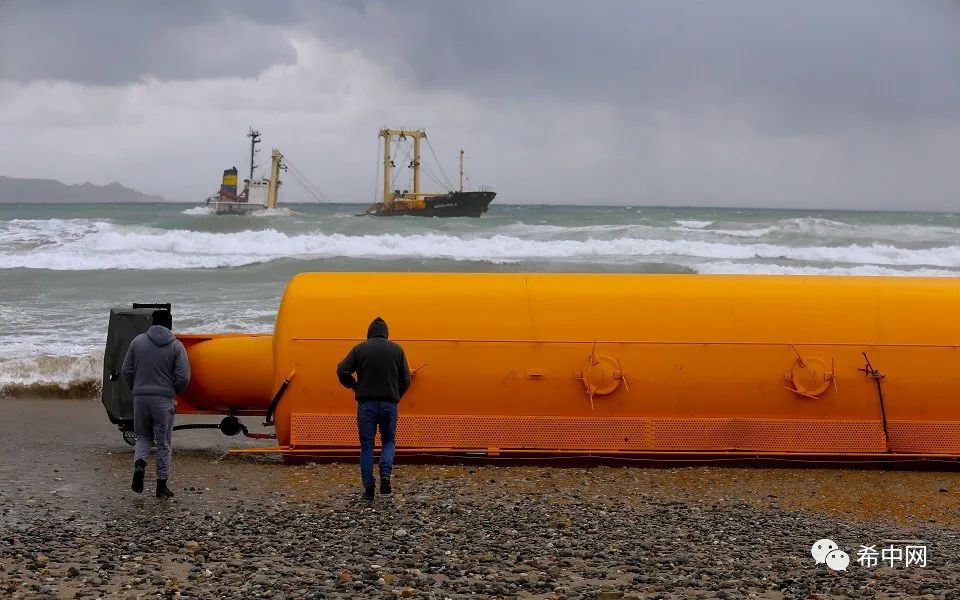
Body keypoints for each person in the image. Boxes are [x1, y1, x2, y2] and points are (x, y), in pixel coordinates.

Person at [336, 317, 411, 501]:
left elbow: (342, 370)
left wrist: (354, 386)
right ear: (386, 333)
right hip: (389, 405)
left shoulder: (360, 349)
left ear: (369, 333)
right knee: (388, 441)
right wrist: (396, 395)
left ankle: (369, 489)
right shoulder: (397, 350)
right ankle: (385, 475)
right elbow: (406, 379)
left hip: (366, 405)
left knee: (367, 447)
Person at [121, 309, 191, 498]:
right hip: (163, 400)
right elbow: (183, 377)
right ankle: (161, 486)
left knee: (143, 436)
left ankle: (140, 465)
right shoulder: (176, 346)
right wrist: (174, 391)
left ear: (152, 322)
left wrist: (137, 388)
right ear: (169, 324)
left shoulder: (137, 342)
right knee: (163, 444)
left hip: (140, 399)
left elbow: (126, 370)